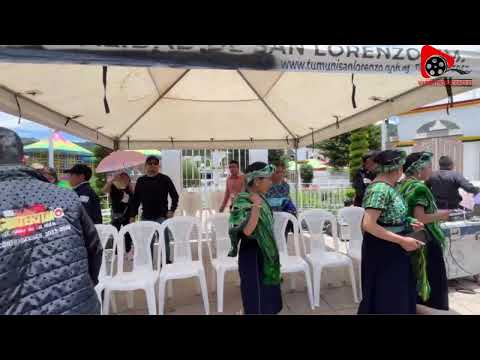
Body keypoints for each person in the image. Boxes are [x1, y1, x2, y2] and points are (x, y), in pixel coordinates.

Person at [0, 127, 102, 315]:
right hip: (81, 304)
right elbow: (94, 247)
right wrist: (84, 286)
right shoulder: (66, 196)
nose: (68, 177)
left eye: (71, 174)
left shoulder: (79, 194)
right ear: (23, 160)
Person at [358, 149, 425, 315]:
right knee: (387, 297)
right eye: (402, 166)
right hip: (383, 250)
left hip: (393, 248)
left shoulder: (390, 187)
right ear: (396, 168)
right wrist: (402, 241)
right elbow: (368, 224)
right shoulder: (379, 189)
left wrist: (409, 223)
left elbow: (390, 216)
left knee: (396, 295)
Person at [398, 152, 450, 311]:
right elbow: (420, 217)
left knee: (414, 275)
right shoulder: (419, 187)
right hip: (424, 238)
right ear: (419, 168)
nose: (431, 170)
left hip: (410, 236)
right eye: (429, 166)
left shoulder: (402, 185)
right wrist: (443, 215)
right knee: (429, 276)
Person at [228, 162, 282, 315]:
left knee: (269, 297)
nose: (271, 183)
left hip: (266, 255)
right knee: (255, 299)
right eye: (268, 179)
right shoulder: (242, 200)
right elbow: (246, 231)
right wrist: (256, 207)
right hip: (252, 255)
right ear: (257, 181)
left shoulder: (261, 197)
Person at [129, 156, 179, 263]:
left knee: (164, 240)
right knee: (147, 242)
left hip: (162, 216)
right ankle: (148, 263)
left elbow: (175, 196)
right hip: (146, 216)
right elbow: (136, 200)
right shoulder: (141, 181)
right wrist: (132, 216)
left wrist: (172, 210)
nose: (153, 166)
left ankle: (166, 262)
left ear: (158, 166)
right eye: (150, 164)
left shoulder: (165, 179)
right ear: (146, 166)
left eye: (155, 164)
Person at [102, 172, 134, 254]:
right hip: (116, 213)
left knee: (128, 233)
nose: (125, 180)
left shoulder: (129, 188)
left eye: (127, 178)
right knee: (115, 232)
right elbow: (104, 190)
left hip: (128, 214)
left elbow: (134, 200)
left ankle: (128, 251)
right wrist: (112, 180)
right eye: (122, 178)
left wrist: (130, 187)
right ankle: (116, 252)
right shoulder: (114, 186)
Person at [266, 161, 297, 239]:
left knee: (283, 243)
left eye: (282, 172)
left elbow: (287, 199)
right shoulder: (265, 186)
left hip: (283, 220)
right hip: (269, 220)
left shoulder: (286, 186)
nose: (280, 174)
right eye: (277, 172)